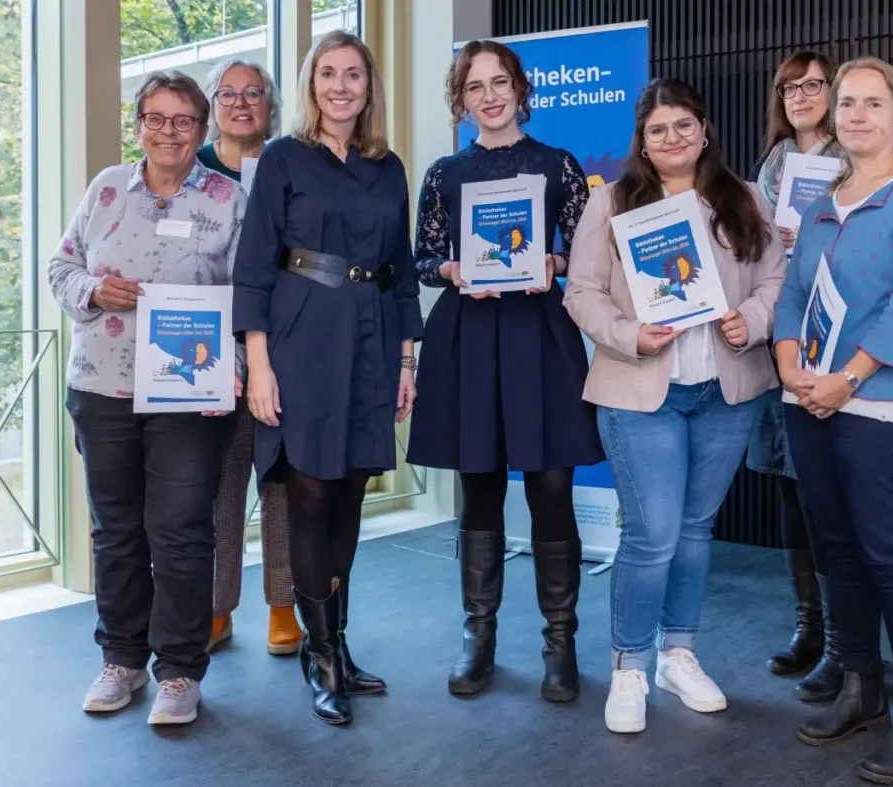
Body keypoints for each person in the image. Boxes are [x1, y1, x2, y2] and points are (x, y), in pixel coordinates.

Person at [563, 77, 786, 734]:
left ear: (705, 128)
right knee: (652, 534)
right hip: (641, 392)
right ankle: (629, 665)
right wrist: (630, 332)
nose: (672, 138)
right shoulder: (610, 206)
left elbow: (778, 277)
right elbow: (581, 291)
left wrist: (754, 317)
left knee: (693, 531)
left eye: (683, 124)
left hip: (726, 389)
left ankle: (677, 653)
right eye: (658, 129)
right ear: (643, 139)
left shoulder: (743, 198)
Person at [232, 31, 423, 726]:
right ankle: (318, 656)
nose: (341, 86)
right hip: (301, 333)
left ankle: (336, 642)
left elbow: (401, 269)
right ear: (312, 84)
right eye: (328, 74)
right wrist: (258, 365)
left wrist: (406, 360)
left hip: (373, 335)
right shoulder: (282, 158)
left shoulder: (388, 165)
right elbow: (254, 266)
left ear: (370, 87)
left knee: (348, 494)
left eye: (354, 75)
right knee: (309, 494)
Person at [406, 39, 604, 703]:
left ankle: (560, 641)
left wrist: (554, 262)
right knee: (480, 485)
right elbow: (422, 260)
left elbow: (588, 255)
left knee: (551, 485)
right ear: (460, 100)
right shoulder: (444, 173)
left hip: (540, 336)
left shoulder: (559, 167)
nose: (489, 96)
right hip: (470, 335)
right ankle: (478, 636)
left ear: (521, 90)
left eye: (499, 83)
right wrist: (454, 270)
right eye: (474, 87)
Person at [774, 57, 893, 783]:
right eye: (847, 103)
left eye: (872, 104)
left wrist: (845, 380)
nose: (855, 115)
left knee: (888, 555)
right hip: (807, 398)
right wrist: (790, 369)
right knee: (837, 551)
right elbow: (791, 293)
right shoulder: (822, 199)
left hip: (879, 400)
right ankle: (862, 685)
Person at [48, 70, 247, 725]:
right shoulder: (107, 189)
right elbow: (61, 266)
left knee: (182, 533)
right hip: (101, 386)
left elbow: (251, 297)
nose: (168, 131)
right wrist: (92, 291)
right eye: (155, 118)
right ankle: (122, 660)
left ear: (202, 129)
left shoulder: (227, 198)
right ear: (138, 125)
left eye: (183, 119)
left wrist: (237, 368)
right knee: (117, 534)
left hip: (189, 396)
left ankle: (180, 671)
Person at [746, 50, 845, 703]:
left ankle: (845, 641)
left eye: (815, 84)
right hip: (780, 339)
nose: (802, 94)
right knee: (790, 491)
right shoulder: (769, 170)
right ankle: (810, 625)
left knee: (832, 497)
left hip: (837, 340)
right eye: (792, 86)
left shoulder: (854, 156)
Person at [198, 58, 301, 657]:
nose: (241, 104)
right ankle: (215, 608)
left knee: (282, 481)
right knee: (218, 483)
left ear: (271, 104)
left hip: (282, 345)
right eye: (228, 94)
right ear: (213, 105)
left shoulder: (288, 165)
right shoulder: (191, 169)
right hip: (208, 348)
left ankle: (283, 605)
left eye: (254, 93)